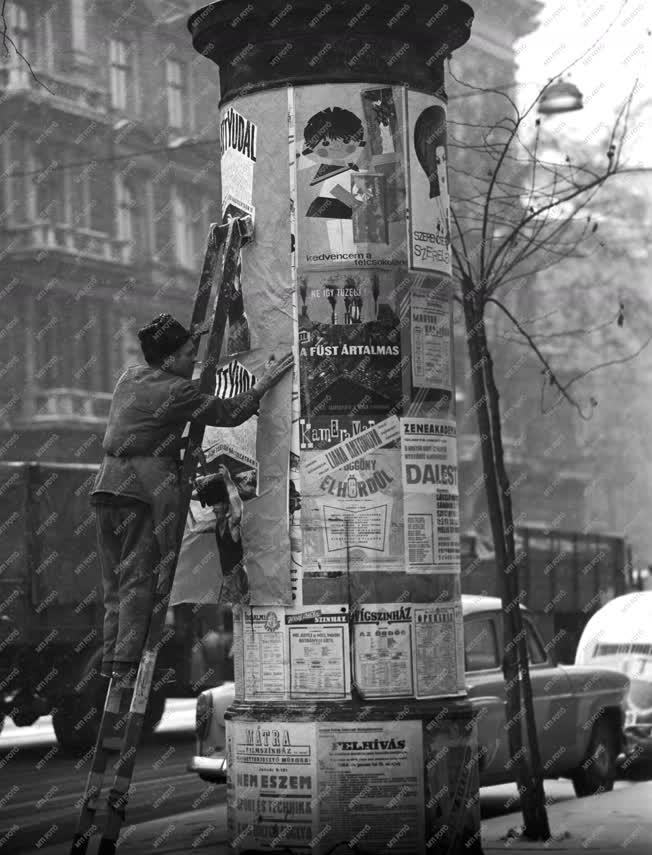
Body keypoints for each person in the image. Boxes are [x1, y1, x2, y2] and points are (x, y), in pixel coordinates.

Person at [91, 313, 292, 681]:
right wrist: (262, 384)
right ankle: (124, 667)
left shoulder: (130, 378)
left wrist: (194, 338)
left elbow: (153, 424)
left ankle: (110, 662)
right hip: (138, 494)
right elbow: (228, 413)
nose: (192, 360)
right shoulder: (177, 391)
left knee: (113, 585)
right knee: (138, 578)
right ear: (168, 360)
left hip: (105, 490)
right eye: (187, 354)